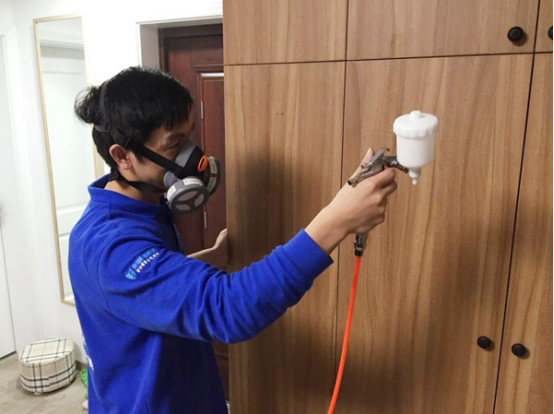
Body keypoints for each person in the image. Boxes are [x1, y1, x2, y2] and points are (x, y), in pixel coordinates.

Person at [70, 66, 397, 414]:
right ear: (122, 156)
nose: (193, 157)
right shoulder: (110, 248)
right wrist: (337, 220)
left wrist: (211, 257)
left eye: (188, 137)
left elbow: (148, 288)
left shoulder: (142, 208)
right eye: (175, 145)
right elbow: (226, 310)